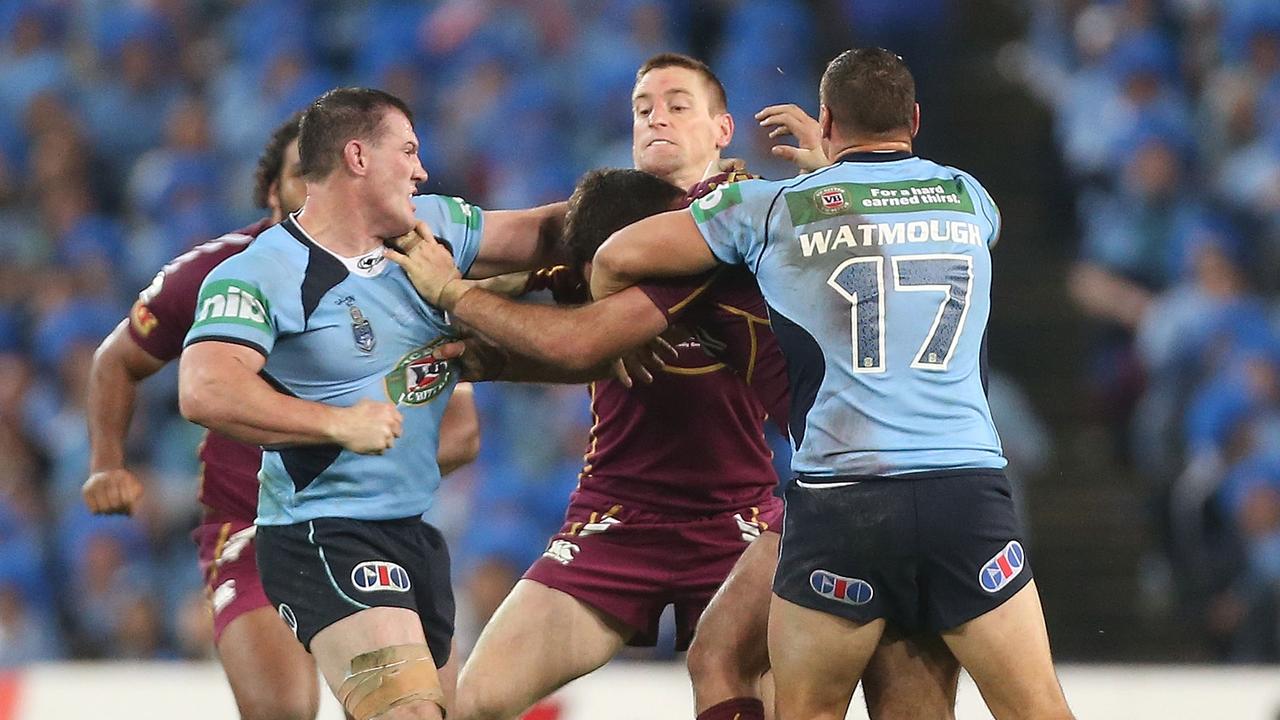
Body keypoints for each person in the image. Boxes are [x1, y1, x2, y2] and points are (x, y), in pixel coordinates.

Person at [391, 53, 965, 720]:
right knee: (475, 702)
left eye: (677, 104)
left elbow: (879, 292)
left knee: (765, 695)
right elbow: (518, 292)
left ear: (723, 129)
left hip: (740, 518)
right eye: (642, 108)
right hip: (615, 512)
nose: (655, 116)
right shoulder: (597, 217)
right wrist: (471, 337)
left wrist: (833, 180)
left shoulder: (763, 221)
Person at [584, 48, 1074, 720]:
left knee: (807, 708)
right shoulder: (971, 198)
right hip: (964, 493)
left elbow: (615, 255)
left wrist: (623, 330)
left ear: (825, 119)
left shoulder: (771, 209)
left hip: (841, 501)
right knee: (1037, 708)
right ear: (917, 118)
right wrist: (839, 166)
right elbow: (893, 217)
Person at [177, 87, 566, 720]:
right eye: (408, 150)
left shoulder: (432, 229)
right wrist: (335, 422)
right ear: (357, 156)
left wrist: (678, 204)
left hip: (412, 531)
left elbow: (548, 233)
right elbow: (206, 388)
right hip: (320, 531)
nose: (421, 169)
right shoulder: (265, 270)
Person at [82, 111, 482, 720]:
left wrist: (375, 458)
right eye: (303, 175)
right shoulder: (221, 273)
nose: (318, 188)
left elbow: (460, 433)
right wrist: (106, 463)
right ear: (273, 191)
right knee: (283, 709)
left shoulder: (405, 269)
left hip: (367, 525)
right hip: (247, 525)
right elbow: (117, 361)